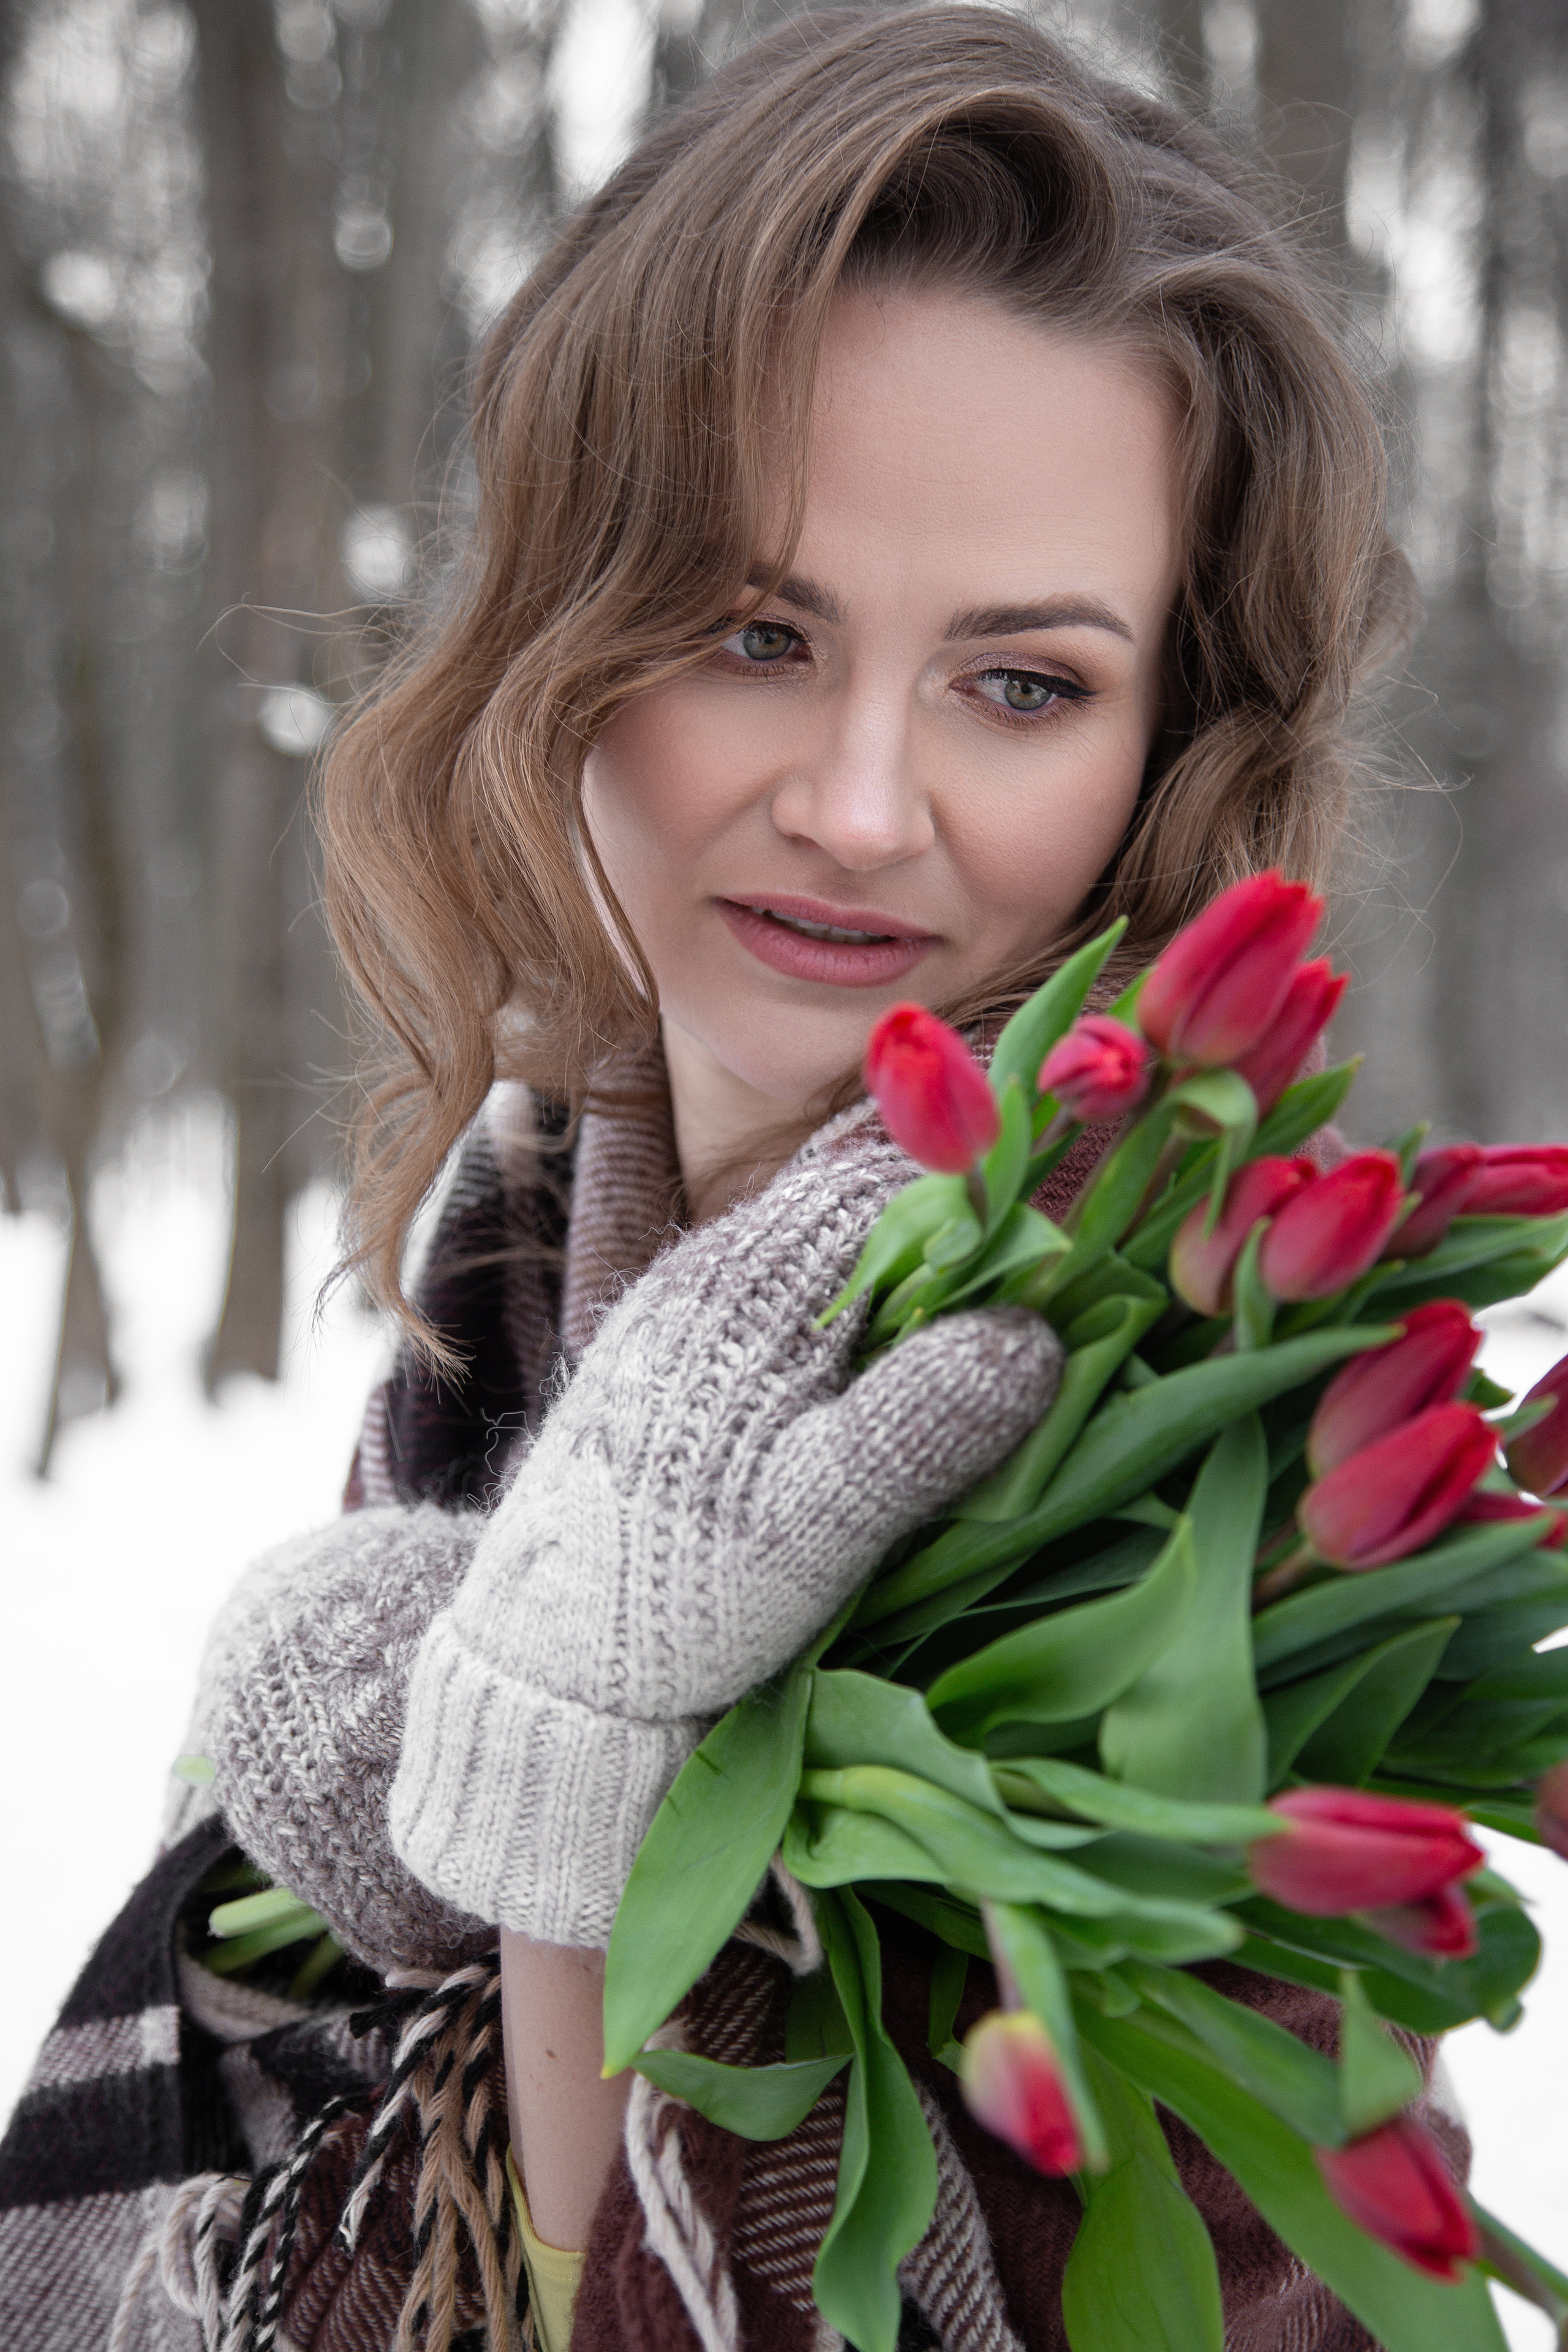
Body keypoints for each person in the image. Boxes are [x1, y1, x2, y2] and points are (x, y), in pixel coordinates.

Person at [0, 9, 1449, 2349]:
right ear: (570, 634)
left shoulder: (1200, 1506)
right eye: (758, 634)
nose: (863, 807)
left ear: (1175, 736)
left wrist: (578, 1829)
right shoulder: (515, 1281)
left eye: (1021, 684)